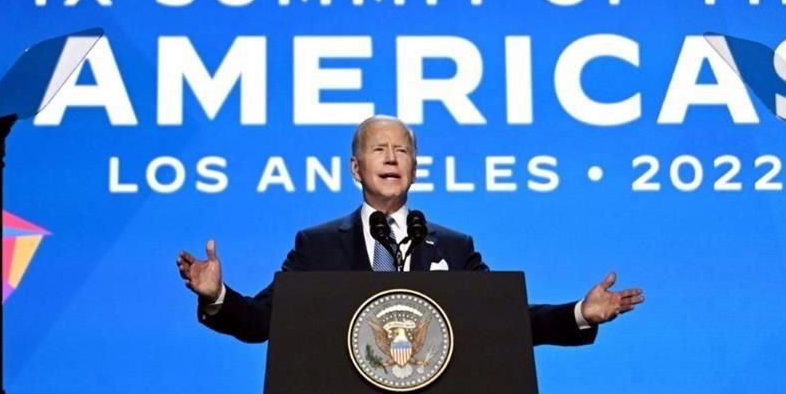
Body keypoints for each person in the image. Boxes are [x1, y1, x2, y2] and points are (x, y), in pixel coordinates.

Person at [177, 115, 644, 345]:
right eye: (379, 149)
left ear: (415, 169)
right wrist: (217, 295)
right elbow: (264, 321)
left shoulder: (454, 247)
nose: (391, 157)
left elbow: (501, 319)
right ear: (357, 169)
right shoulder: (317, 246)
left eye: (402, 150)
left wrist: (578, 312)